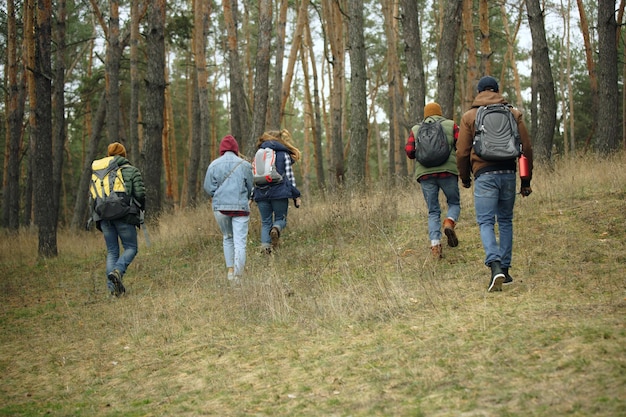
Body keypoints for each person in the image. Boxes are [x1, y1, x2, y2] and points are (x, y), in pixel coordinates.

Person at [456, 76, 534, 292]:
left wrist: (465, 178)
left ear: (479, 92)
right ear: (497, 91)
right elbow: (526, 148)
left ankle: (495, 265)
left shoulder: (470, 116)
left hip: (484, 175)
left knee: (486, 222)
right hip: (509, 172)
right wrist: (525, 180)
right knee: (506, 220)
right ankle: (505, 269)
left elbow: (462, 152)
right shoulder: (513, 113)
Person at [405, 102, 461, 259]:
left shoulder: (416, 130)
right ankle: (449, 222)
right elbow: (462, 145)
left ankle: (435, 245)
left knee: (433, 211)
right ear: (440, 112)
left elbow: (409, 152)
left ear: (425, 114)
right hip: (447, 172)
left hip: (425, 175)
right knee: (454, 203)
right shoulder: (450, 125)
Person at [91, 142, 146, 297]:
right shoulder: (131, 170)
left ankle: (113, 291)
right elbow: (140, 193)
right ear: (124, 154)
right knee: (131, 248)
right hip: (124, 215)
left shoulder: (100, 173)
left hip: (103, 216)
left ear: (109, 155)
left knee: (112, 251)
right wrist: (140, 209)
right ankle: (118, 272)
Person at [204, 135, 254, 282]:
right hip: (241, 208)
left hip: (220, 208)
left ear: (222, 149)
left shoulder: (213, 165)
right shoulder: (245, 165)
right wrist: (247, 198)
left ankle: (230, 272)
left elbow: (208, 188)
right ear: (236, 148)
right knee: (240, 243)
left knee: (227, 238)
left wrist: (219, 195)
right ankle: (238, 278)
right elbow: (251, 186)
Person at [252, 129, 302, 254]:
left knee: (265, 222)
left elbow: (255, 175)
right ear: (279, 139)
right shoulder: (284, 155)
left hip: (261, 192)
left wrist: (252, 195)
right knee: (281, 218)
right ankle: (276, 228)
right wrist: (296, 195)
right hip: (279, 192)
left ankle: (265, 248)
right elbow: (290, 178)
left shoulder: (259, 153)